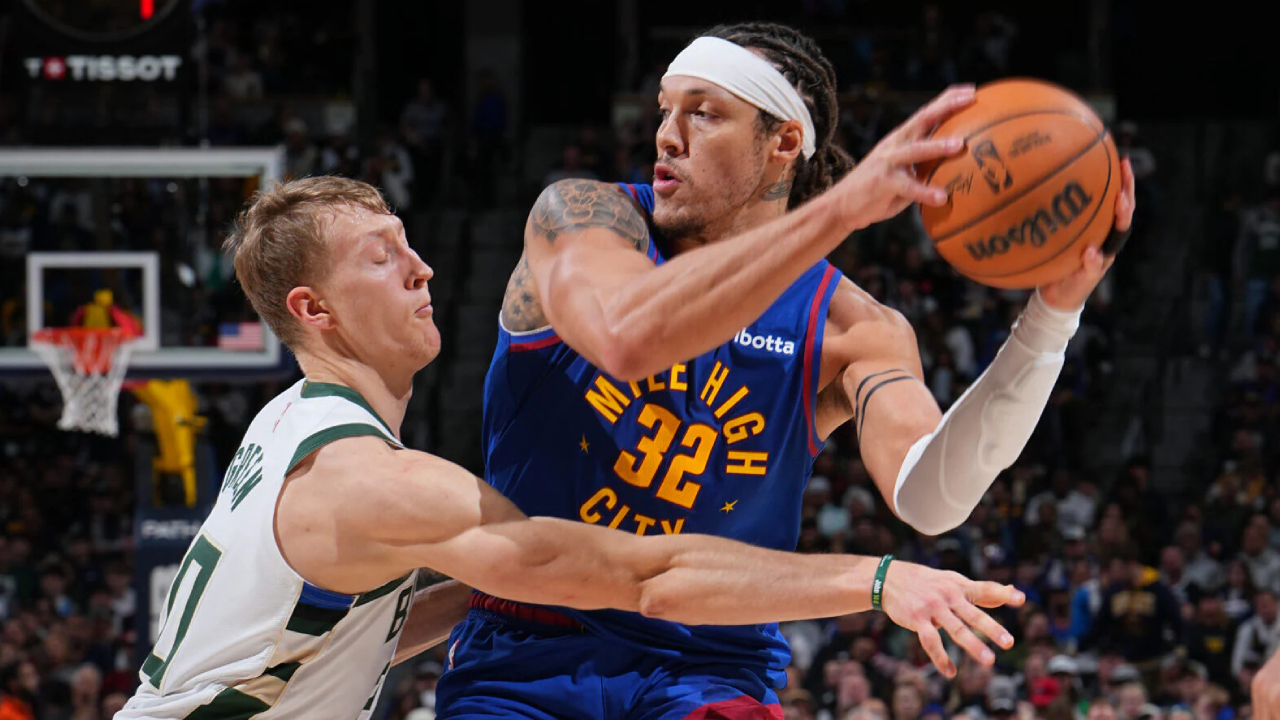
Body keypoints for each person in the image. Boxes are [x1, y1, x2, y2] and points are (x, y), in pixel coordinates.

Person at [114, 177, 1023, 720]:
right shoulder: (375, 483)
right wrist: (879, 580)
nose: (422, 267)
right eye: (382, 258)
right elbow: (647, 579)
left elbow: (342, 634)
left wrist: (498, 586)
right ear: (313, 309)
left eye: (409, 244)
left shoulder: (288, 426)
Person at [441, 20, 1135, 720]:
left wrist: (1052, 318)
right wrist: (844, 209)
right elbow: (627, 337)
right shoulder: (584, 217)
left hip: (707, 668)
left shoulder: (850, 326)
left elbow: (931, 498)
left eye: (704, 113)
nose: (667, 137)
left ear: (782, 144)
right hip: (526, 652)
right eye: (665, 109)